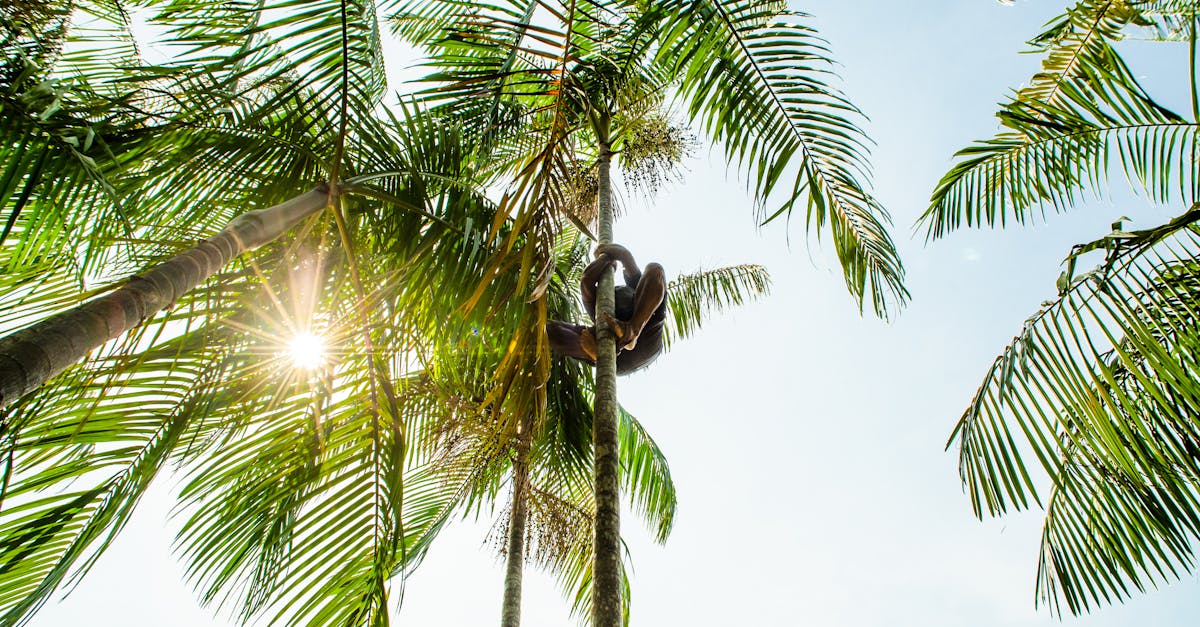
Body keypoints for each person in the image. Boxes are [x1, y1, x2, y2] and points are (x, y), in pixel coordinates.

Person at [547, 243, 667, 375]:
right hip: (618, 352)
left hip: (646, 334)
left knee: (655, 269)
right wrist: (605, 258)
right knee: (549, 330)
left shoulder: (643, 292)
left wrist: (613, 255)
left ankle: (630, 332)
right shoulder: (598, 305)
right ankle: (598, 353)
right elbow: (587, 280)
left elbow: (626, 258)